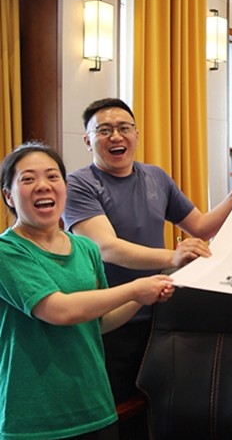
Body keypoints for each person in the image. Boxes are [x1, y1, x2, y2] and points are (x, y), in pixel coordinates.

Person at [62, 98, 232, 427]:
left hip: (162, 315)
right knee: (118, 413)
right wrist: (172, 256)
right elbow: (106, 247)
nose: (116, 136)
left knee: (161, 410)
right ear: (87, 140)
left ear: (137, 134)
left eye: (124, 128)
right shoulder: (78, 184)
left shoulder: (155, 177)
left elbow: (201, 227)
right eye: (104, 130)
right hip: (110, 320)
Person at [0, 142, 174, 439]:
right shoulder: (8, 251)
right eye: (28, 179)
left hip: (96, 410)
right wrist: (134, 288)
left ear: (64, 187)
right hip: (34, 420)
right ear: (9, 195)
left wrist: (142, 296)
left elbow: (100, 322)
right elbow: (59, 310)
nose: (43, 186)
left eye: (52, 176)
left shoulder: (85, 248)